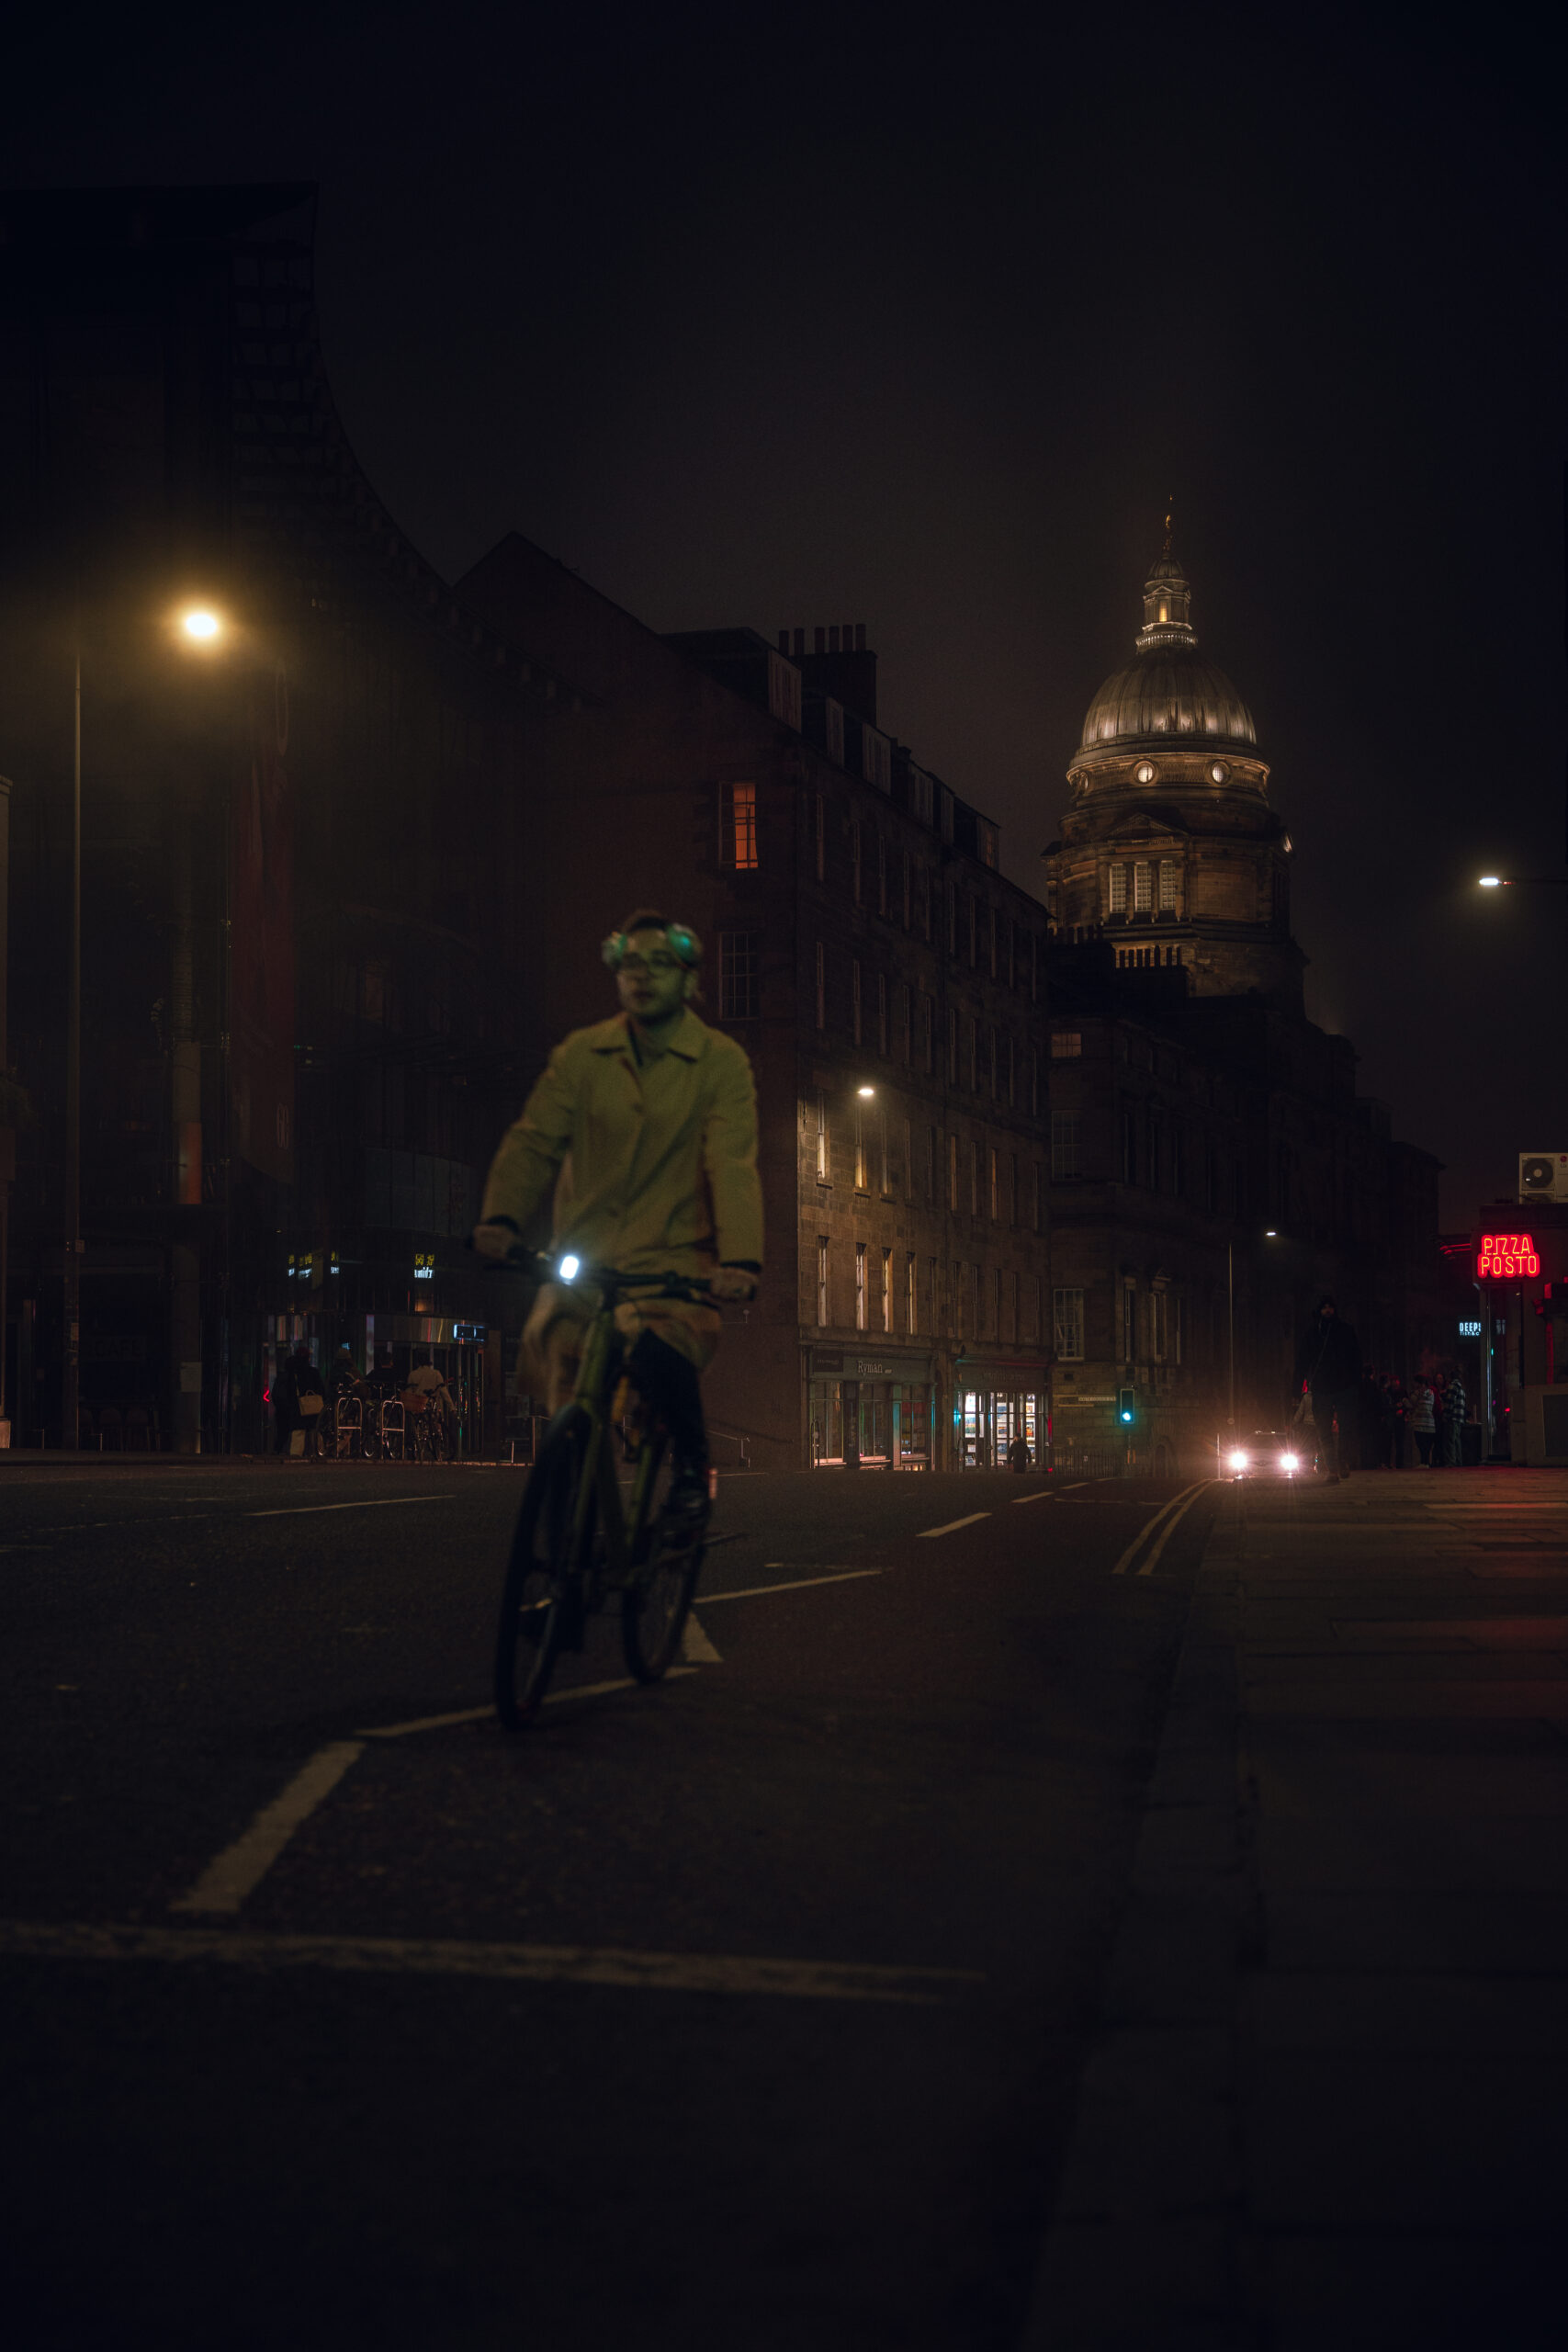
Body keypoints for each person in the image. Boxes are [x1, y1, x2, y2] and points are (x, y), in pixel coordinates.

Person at [471, 909, 762, 1523]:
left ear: (689, 979)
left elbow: (731, 1164)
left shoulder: (719, 1062)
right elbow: (534, 1142)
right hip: (587, 1258)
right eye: (632, 964)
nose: (644, 975)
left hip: (673, 1264)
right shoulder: (583, 1054)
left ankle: (691, 1469)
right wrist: (500, 1220)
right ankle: (576, 1519)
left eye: (660, 964)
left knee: (660, 1348)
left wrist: (740, 1260)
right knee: (564, 1370)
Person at [1295, 1295, 1362, 1483]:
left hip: (1344, 1386)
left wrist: (1356, 1382)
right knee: (1323, 1430)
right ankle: (1332, 1468)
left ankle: (1342, 1460)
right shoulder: (1313, 1332)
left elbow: (1356, 1358)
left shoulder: (1346, 1330)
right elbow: (1302, 1362)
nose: (1327, 1311)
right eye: (1324, 1307)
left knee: (1346, 1427)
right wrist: (1296, 1389)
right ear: (1320, 1311)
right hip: (1322, 1387)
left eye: (1330, 1307)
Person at [1407, 1373, 1437, 1465]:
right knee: (1427, 1446)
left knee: (1421, 1444)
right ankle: (1425, 1463)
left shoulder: (1417, 1393)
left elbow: (1411, 1403)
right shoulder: (1431, 1393)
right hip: (1430, 1424)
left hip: (1420, 1423)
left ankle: (1424, 1463)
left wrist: (1404, 1400)